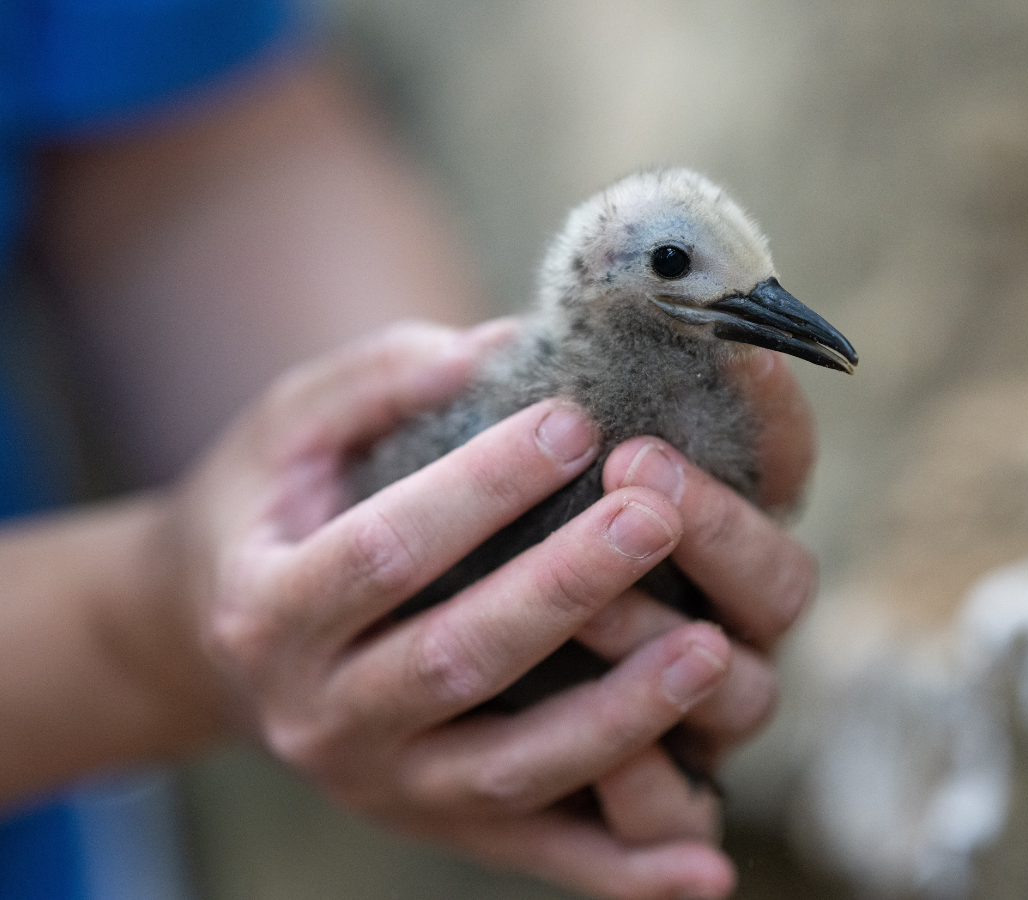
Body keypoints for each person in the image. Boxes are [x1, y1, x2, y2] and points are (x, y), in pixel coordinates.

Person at [0, 3, 819, 898]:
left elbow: (189, 155)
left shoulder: (619, 400)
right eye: (673, 266)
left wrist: (390, 509)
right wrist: (143, 634)